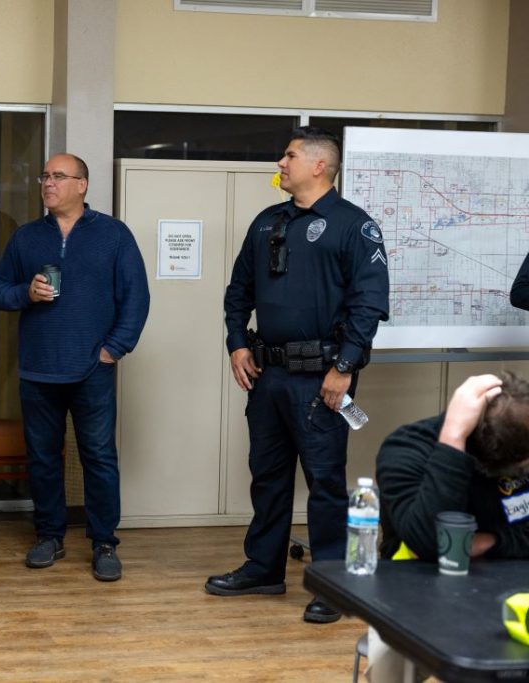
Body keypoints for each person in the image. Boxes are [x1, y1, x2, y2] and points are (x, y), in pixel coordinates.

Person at [206, 126, 390, 623]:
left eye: (289, 156)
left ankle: (332, 585)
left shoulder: (354, 225)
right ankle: (264, 569)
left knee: (326, 481)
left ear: (319, 166)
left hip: (323, 378)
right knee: (266, 474)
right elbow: (236, 291)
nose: (280, 163)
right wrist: (237, 344)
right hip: (268, 375)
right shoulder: (268, 221)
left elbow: (368, 305)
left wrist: (344, 368)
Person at [0, 153, 150, 582]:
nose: (48, 183)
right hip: (38, 369)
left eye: (58, 176)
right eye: (44, 176)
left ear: (82, 185)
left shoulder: (113, 235)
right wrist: (27, 293)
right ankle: (49, 536)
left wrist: (113, 349)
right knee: (42, 458)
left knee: (98, 457)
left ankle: (104, 543)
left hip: (92, 368)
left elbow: (136, 298)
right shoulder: (26, 238)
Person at [366, 372, 529, 681]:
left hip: (513, 588)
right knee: (391, 673)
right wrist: (453, 438)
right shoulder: (406, 449)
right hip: (418, 593)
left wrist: (491, 541)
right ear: (489, 466)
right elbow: (429, 541)